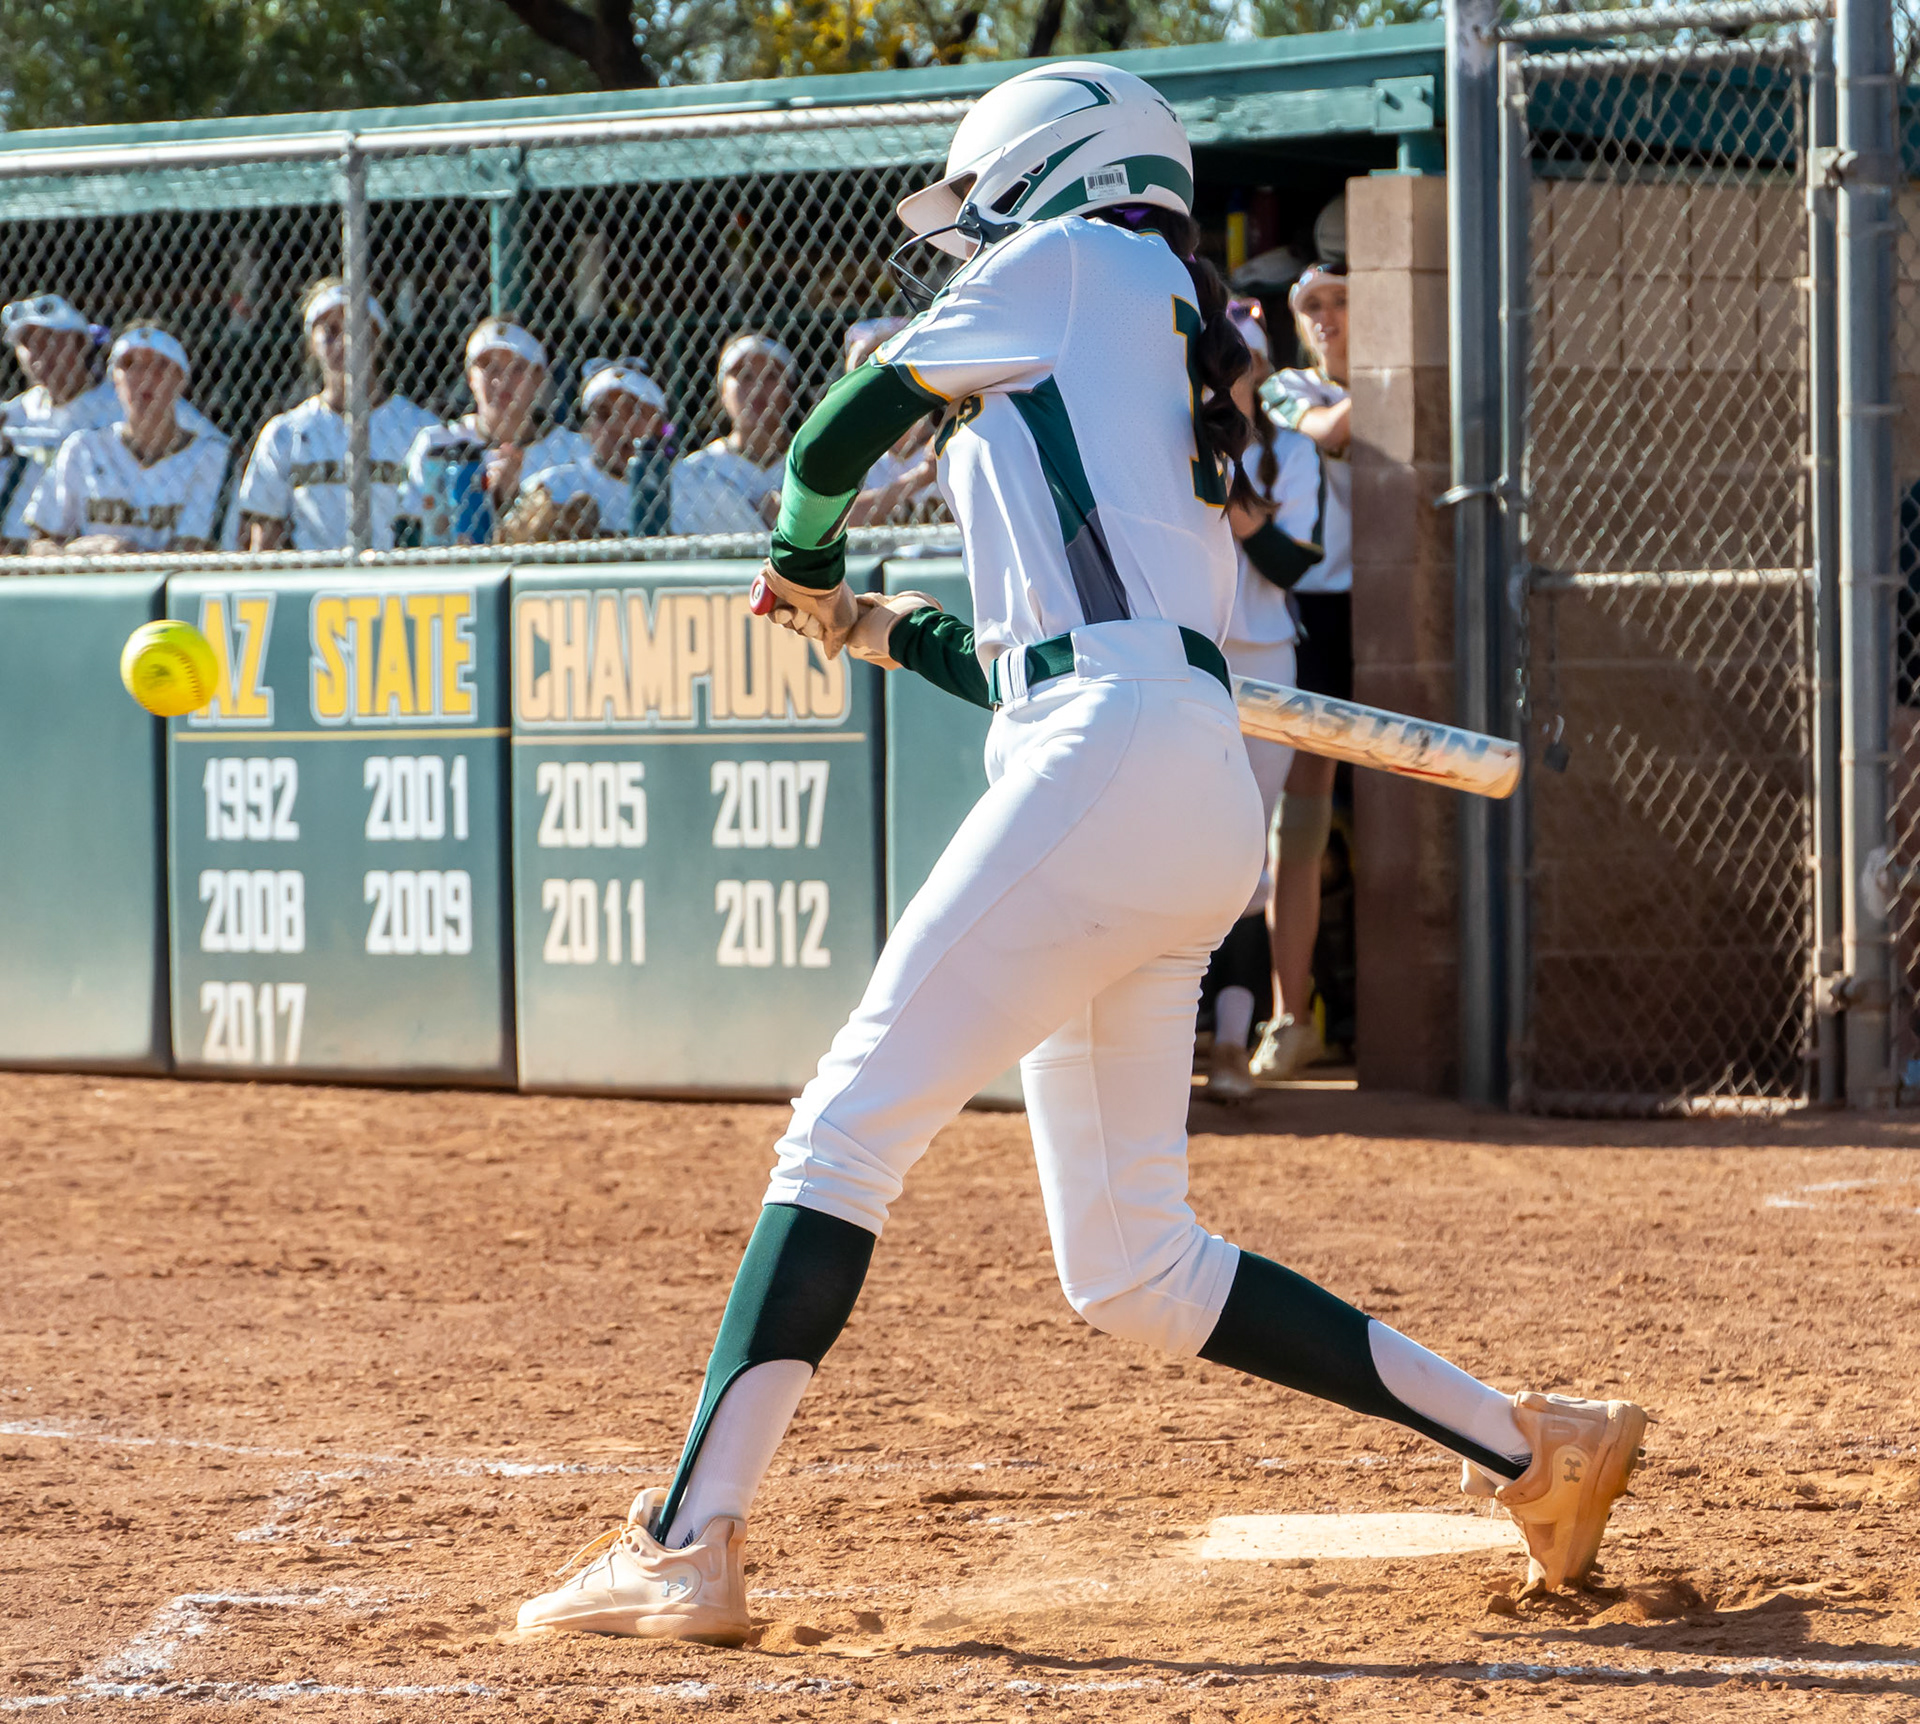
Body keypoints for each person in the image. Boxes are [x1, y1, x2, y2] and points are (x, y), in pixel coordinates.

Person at [514, 62, 1647, 1645]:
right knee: (1131, 1262)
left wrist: (800, 555)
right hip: (1172, 772)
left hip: (1113, 754)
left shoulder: (1067, 259)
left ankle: (686, 1540)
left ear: (1050, 170)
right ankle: (1534, 1446)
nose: (969, 242)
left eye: (980, 210)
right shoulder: (1165, 327)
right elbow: (1053, 654)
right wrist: (869, 625)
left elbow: (837, 432)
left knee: (842, 1131)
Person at [1204, 300, 1328, 1102]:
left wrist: (1236, 502)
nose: (1228, 379)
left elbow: (1292, 563)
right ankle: (1184, 1037)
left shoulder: (1290, 453)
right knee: (1178, 845)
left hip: (1266, 658)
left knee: (1248, 858)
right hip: (1189, 656)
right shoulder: (1168, 439)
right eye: (1216, 364)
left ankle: (1231, 1043)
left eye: (1241, 364)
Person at [1250, 262, 1352, 1082]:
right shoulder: (1287, 388)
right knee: (1301, 824)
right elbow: (1331, 431)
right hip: (1314, 615)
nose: (1327, 317)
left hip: (1404, 613)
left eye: (1343, 301)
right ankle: (1291, 1016)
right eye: (1312, 306)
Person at [0, 294, 217, 551]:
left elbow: (211, 445)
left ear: (81, 342)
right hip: (30, 539)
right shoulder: (12, 414)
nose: (37, 352)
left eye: (49, 339)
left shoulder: (132, 398)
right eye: (27, 342)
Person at [237, 278, 438, 551]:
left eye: (356, 329)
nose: (344, 342)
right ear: (312, 344)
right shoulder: (284, 433)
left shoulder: (420, 428)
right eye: (330, 331)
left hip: (395, 573)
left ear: (377, 338)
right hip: (315, 574)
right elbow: (264, 540)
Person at [403, 318, 590, 536]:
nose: (500, 381)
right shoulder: (436, 442)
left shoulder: (571, 449)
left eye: (517, 368)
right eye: (488, 367)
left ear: (539, 378)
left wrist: (515, 500)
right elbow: (413, 526)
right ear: (470, 377)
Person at [500, 359, 671, 542]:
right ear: (588, 428)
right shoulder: (555, 486)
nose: (617, 426)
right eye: (603, 414)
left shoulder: (685, 483)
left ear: (658, 423)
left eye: (634, 411)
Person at [668, 332, 794, 535]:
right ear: (723, 393)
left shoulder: (813, 463)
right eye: (744, 375)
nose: (757, 386)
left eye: (771, 375)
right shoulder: (693, 472)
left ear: (790, 389)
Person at [839, 318, 940, 528]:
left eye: (900, 361)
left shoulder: (956, 436)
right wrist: (923, 475)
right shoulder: (851, 458)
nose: (883, 378)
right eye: (867, 365)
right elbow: (840, 522)